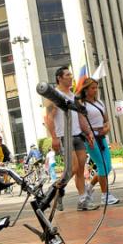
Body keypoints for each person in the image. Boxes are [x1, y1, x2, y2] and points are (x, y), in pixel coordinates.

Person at [44, 66, 98, 211]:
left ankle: (83, 201)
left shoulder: (73, 96)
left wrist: (88, 133)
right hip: (63, 136)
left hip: (78, 135)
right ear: (59, 78)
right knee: (72, 168)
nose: (71, 77)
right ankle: (56, 192)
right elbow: (48, 117)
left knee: (80, 169)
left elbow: (80, 116)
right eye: (67, 75)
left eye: (71, 74)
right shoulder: (55, 95)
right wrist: (54, 138)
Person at [78, 78, 119, 206]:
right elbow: (81, 123)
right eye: (92, 88)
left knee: (107, 166)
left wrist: (107, 128)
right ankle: (105, 196)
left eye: (96, 88)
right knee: (102, 165)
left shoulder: (100, 102)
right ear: (86, 89)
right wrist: (88, 135)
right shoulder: (82, 104)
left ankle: (89, 188)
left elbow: (106, 119)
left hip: (102, 136)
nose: (95, 90)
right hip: (90, 137)